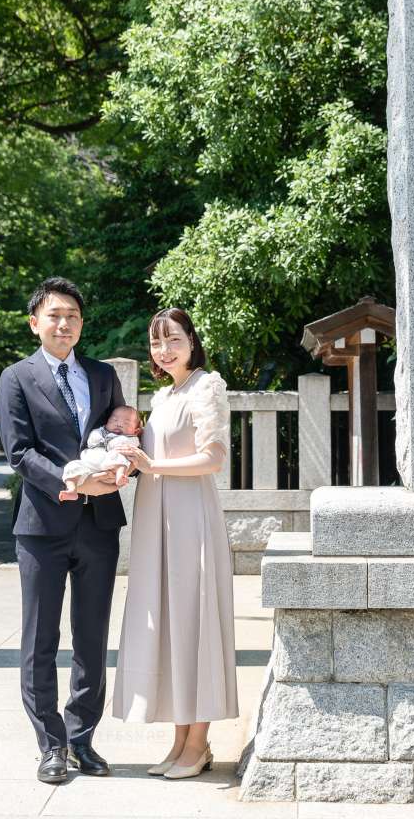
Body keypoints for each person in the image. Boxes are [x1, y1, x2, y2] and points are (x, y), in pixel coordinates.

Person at [0, 277, 128, 784]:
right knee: (40, 640)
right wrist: (74, 482)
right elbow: (19, 453)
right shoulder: (17, 377)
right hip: (43, 525)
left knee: (92, 638)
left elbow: (118, 436)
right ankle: (50, 745)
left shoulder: (102, 375)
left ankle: (82, 739)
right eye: (54, 315)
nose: (64, 323)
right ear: (35, 323)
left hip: (100, 525)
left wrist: (119, 469)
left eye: (72, 315)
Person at [111, 307, 238, 780]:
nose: (164, 350)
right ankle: (181, 740)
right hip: (156, 515)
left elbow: (213, 458)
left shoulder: (207, 386)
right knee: (167, 624)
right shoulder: (163, 394)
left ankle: (199, 742)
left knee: (194, 620)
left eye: (173, 339)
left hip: (189, 517)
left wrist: (154, 466)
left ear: (191, 340)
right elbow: (148, 456)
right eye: (157, 342)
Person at [60, 406, 142, 499]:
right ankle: (72, 489)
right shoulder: (99, 432)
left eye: (126, 423)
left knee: (120, 455)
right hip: (89, 463)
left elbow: (129, 451)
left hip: (110, 465)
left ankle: (120, 474)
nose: (119, 424)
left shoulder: (130, 439)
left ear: (136, 431)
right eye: (114, 420)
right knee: (72, 465)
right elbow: (91, 441)